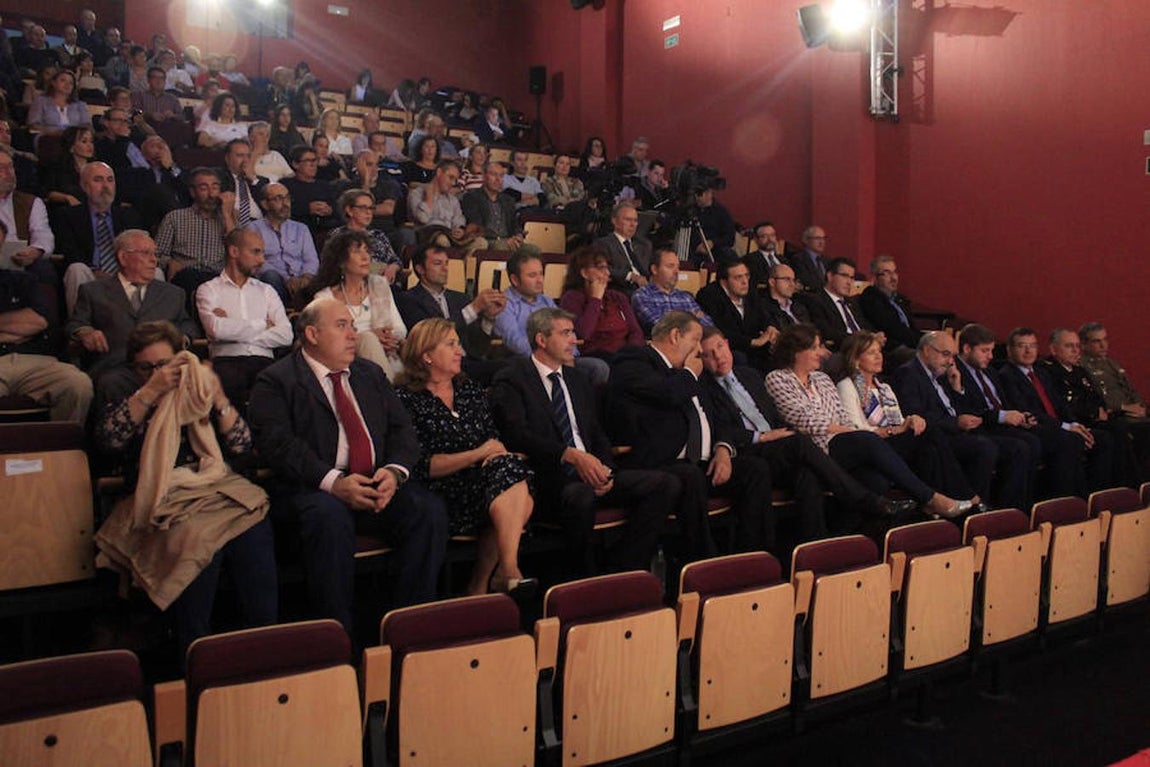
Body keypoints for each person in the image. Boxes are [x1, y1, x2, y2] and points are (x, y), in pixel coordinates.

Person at [248, 298, 448, 632]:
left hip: (374, 483)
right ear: (311, 333)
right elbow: (278, 445)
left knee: (427, 510)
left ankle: (407, 626)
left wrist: (395, 472)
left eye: (353, 326)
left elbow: (402, 430)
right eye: (342, 326)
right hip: (313, 489)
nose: (353, 334)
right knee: (328, 517)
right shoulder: (276, 380)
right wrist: (333, 482)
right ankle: (336, 633)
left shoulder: (369, 373)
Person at [93, 320, 276, 657]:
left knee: (254, 526)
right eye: (146, 367)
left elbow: (242, 446)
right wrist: (150, 392)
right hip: (160, 493)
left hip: (213, 485)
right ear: (134, 369)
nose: (157, 373)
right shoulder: (126, 393)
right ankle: (193, 653)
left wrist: (219, 399)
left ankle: (262, 645)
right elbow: (109, 441)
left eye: (164, 365)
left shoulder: (198, 390)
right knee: (197, 539)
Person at [492, 307, 676, 577]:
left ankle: (622, 567)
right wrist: (568, 454)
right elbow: (516, 435)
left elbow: (595, 432)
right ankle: (581, 576)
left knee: (665, 484)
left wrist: (606, 470)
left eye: (573, 332)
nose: (573, 340)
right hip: (549, 478)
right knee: (580, 495)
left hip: (591, 472)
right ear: (541, 340)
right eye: (565, 333)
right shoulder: (513, 378)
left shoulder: (577, 379)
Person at [700, 327, 912, 531]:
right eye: (709, 354)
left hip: (780, 445)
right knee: (808, 441)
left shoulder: (749, 375)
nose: (719, 357)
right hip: (750, 448)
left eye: (720, 347)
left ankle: (818, 543)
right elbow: (719, 428)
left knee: (811, 474)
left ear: (727, 344)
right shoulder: (705, 387)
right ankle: (867, 500)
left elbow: (774, 416)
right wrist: (761, 436)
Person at [606, 311, 774, 557]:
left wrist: (723, 449)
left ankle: (754, 557)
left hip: (703, 461)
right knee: (689, 475)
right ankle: (702, 561)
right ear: (675, 336)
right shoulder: (634, 360)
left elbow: (719, 418)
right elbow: (668, 394)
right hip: (658, 462)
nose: (699, 349)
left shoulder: (689, 372)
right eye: (695, 340)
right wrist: (689, 374)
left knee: (754, 469)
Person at [766, 323, 974, 519]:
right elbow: (805, 421)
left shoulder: (822, 379)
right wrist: (853, 433)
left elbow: (841, 415)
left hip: (845, 442)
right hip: (818, 449)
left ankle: (923, 521)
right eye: (815, 347)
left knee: (889, 470)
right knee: (867, 440)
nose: (822, 352)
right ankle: (931, 498)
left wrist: (861, 431)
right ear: (796, 352)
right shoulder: (778, 379)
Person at [394, 318, 534, 595]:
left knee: (509, 476)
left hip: (485, 483)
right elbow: (421, 465)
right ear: (427, 355)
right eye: (451, 344)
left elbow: (493, 441)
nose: (461, 351)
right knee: (514, 492)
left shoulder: (470, 391)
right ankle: (494, 577)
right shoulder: (405, 399)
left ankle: (497, 575)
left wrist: (494, 454)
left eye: (459, 344)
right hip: (439, 492)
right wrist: (478, 454)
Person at [890, 331, 1021, 507]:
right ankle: (973, 505)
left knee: (1017, 446)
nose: (950, 361)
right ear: (927, 350)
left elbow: (957, 408)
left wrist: (957, 387)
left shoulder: (941, 374)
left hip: (956, 432)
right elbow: (916, 415)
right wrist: (956, 422)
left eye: (952, 355)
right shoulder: (908, 374)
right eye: (946, 354)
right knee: (984, 448)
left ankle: (1005, 508)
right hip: (935, 438)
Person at [68, 229, 200, 377]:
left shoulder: (173, 294)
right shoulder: (93, 291)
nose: (154, 260)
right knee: (112, 382)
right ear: (123, 258)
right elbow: (75, 324)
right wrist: (85, 332)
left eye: (155, 254)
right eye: (146, 253)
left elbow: (188, 324)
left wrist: (183, 337)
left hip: (161, 368)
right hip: (114, 368)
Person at [998, 327, 1114, 496]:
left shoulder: (1041, 372)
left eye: (1033, 346)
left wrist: (1076, 424)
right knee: (1071, 440)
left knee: (1103, 438)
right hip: (1037, 428)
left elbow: (1060, 405)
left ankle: (1098, 497)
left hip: (1059, 425)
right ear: (1010, 349)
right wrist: (1066, 427)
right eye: (1022, 346)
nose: (1028, 351)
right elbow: (1029, 412)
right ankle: (1068, 500)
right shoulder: (1006, 376)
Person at [951, 323, 1050, 506]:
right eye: (985, 351)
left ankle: (1026, 505)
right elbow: (967, 410)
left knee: (1034, 440)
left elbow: (1004, 403)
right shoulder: (954, 371)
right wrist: (1003, 416)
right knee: (1019, 447)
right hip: (980, 428)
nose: (991, 356)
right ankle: (1007, 507)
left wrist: (1021, 417)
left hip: (999, 424)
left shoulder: (989, 371)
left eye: (992, 350)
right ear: (966, 348)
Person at [196, 229, 293, 409]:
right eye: (255, 252)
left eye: (262, 253)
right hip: (225, 363)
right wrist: (263, 324)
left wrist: (232, 331)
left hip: (265, 362)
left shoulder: (267, 291)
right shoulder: (208, 289)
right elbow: (216, 329)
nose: (262, 260)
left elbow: (286, 335)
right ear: (234, 252)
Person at [1042, 328, 1141, 486]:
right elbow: (1063, 403)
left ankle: (1128, 486)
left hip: (1092, 418)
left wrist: (1100, 409)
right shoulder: (1048, 371)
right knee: (1106, 436)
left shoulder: (1080, 371)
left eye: (1077, 346)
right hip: (1076, 421)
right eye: (1069, 346)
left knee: (1120, 428)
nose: (1075, 350)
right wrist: (1094, 412)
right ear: (1054, 349)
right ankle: (1102, 489)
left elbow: (1097, 396)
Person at [395, 244, 506, 376]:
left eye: (447, 263)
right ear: (420, 269)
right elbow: (431, 337)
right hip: (436, 368)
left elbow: (477, 349)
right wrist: (473, 309)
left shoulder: (461, 298)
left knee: (518, 365)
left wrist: (488, 318)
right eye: (438, 263)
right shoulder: (408, 300)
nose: (445, 268)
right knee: (514, 368)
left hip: (468, 364)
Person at [310, 229, 407, 381]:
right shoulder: (325, 298)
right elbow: (329, 339)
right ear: (341, 261)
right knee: (368, 339)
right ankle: (390, 393)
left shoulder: (379, 285)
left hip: (388, 354)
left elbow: (400, 328)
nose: (365, 257)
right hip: (348, 361)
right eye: (357, 252)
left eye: (367, 251)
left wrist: (389, 337)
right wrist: (372, 336)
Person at [0, 263, 92, 421]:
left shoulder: (24, 281)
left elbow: (39, 322)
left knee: (78, 383)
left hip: (38, 362)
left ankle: (64, 443)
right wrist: (18, 329)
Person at [50, 161, 143, 314]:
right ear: (84, 186)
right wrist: (94, 271)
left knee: (156, 271)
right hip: (89, 274)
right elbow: (69, 251)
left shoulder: (129, 216)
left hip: (125, 275)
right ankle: (80, 328)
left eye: (110, 180)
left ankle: (151, 331)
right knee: (76, 269)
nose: (106, 186)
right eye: (98, 180)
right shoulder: (68, 216)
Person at [155, 167, 236, 303]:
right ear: (193, 192)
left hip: (218, 277)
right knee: (189, 277)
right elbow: (156, 253)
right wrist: (169, 262)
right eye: (204, 188)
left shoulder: (231, 218)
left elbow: (238, 250)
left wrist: (227, 215)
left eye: (215, 187)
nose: (211, 194)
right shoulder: (175, 218)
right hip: (186, 274)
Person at [1080, 321, 1150, 474]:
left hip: (1134, 413)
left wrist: (1141, 408)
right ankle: (1138, 484)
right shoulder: (1082, 367)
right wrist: (1123, 408)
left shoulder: (1112, 363)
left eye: (1105, 340)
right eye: (1097, 341)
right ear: (1084, 344)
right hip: (1116, 416)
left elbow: (1130, 389)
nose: (1103, 345)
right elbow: (1097, 398)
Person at [559, 246, 644, 360]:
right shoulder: (572, 298)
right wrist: (596, 299)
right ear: (584, 273)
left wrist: (631, 353)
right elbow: (583, 334)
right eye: (601, 268)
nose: (607, 273)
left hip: (624, 355)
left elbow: (635, 332)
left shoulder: (617, 297)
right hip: (594, 356)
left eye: (607, 268)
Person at [696, 258, 777, 371]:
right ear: (724, 282)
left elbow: (764, 316)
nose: (745, 281)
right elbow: (718, 330)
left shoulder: (750, 292)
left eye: (746, 275)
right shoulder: (709, 296)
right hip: (731, 349)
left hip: (756, 349)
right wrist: (753, 342)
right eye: (738, 277)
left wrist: (770, 328)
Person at [248, 182, 317, 305]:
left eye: (287, 198)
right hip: (274, 280)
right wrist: (286, 279)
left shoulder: (301, 228)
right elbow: (257, 261)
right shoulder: (253, 229)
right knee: (270, 276)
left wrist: (305, 277)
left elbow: (311, 259)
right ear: (265, 204)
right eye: (278, 198)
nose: (285, 204)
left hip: (301, 279)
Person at [798, 257, 880, 357]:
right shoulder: (815, 300)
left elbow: (863, 324)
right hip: (842, 351)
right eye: (845, 276)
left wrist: (875, 335)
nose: (849, 282)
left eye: (852, 277)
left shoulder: (852, 303)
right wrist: (860, 340)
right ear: (830, 276)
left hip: (864, 350)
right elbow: (827, 332)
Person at [0, 147, 56, 288]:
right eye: (1, 168)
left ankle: (39, 311)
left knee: (43, 269)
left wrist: (35, 251)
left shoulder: (31, 202)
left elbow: (43, 235)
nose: (9, 173)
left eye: (11, 167)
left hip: (18, 261)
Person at [461, 162, 540, 257]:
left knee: (534, 250)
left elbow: (514, 224)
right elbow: (476, 226)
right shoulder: (472, 197)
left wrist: (518, 235)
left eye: (501, 176)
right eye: (494, 175)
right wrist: (501, 239)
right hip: (487, 240)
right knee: (501, 246)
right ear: (484, 177)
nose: (498, 179)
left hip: (509, 240)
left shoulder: (508, 200)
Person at [630, 247, 712, 334]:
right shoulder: (643, 295)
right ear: (654, 269)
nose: (677, 271)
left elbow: (708, 326)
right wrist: (692, 318)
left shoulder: (685, 297)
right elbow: (662, 328)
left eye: (678, 267)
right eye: (670, 266)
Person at [330, 188, 403, 282]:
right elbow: (338, 266)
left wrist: (393, 267)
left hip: (382, 285)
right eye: (363, 208)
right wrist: (380, 268)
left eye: (371, 208)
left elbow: (395, 260)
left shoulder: (378, 235)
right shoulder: (338, 235)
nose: (368, 212)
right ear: (349, 210)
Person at [858, 254, 922, 355]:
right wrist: (923, 344)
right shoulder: (871, 298)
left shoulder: (900, 299)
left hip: (910, 344)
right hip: (892, 348)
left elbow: (911, 327)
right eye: (887, 273)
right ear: (874, 277)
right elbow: (895, 330)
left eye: (895, 272)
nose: (894, 278)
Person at [593, 200, 651, 292]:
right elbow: (602, 268)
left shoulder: (644, 245)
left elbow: (652, 268)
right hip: (621, 289)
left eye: (635, 221)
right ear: (615, 221)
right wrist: (630, 276)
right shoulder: (604, 244)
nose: (632, 225)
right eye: (628, 220)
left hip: (646, 289)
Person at [281, 146, 340, 236]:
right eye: (308, 161)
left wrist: (329, 210)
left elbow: (336, 208)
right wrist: (307, 209)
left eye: (315, 160)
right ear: (295, 164)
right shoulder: (286, 185)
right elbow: (281, 209)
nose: (313, 165)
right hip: (296, 230)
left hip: (325, 230)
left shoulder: (324, 185)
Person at [39, 125, 94, 208]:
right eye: (84, 141)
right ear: (71, 147)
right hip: (67, 209)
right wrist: (67, 198)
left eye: (91, 141)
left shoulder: (97, 167)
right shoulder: (58, 167)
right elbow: (48, 192)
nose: (90, 146)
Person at [219, 138, 268, 229]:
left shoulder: (260, 181)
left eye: (248, 156)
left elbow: (268, 198)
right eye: (240, 155)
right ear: (227, 158)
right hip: (233, 222)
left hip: (260, 225)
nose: (245, 160)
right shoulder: (219, 177)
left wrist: (253, 179)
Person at [27, 69, 90, 136]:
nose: (67, 84)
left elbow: (87, 126)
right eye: (63, 80)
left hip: (73, 139)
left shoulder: (80, 105)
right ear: (53, 83)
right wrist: (53, 132)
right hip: (47, 137)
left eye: (71, 83)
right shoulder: (41, 101)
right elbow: (33, 125)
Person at [763, 262, 810, 329]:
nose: (792, 284)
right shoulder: (764, 309)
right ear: (772, 282)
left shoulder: (799, 307)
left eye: (793, 280)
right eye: (787, 279)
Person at [788, 225, 829, 293]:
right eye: (817, 238)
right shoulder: (798, 259)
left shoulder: (827, 261)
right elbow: (806, 281)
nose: (821, 242)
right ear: (806, 240)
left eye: (823, 238)